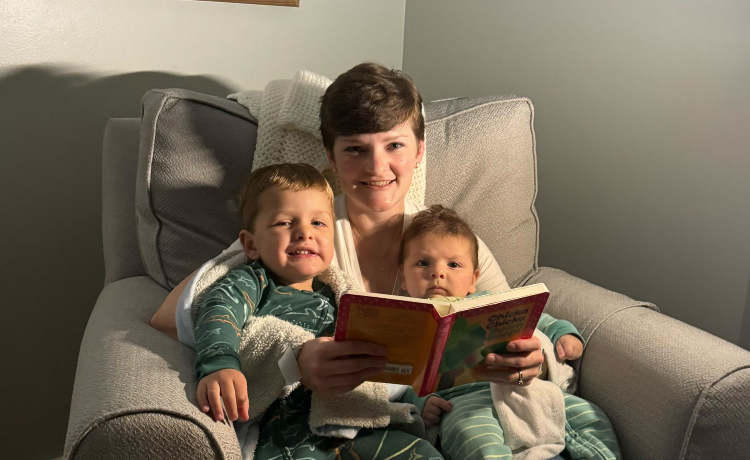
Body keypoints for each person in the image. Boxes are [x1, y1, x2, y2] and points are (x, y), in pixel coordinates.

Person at [151, 62, 557, 400]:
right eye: (356, 149)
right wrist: (292, 361)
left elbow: (511, 323)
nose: (377, 168)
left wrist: (523, 366)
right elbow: (170, 318)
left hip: (444, 419)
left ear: (419, 151)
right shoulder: (304, 234)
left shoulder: (448, 240)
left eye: (394, 146)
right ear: (331, 157)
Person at [191, 163, 446, 459]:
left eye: (318, 223)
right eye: (284, 223)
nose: (304, 233)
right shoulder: (252, 280)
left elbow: (379, 369)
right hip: (289, 427)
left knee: (422, 453)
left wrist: (416, 393)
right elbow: (219, 311)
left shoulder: (339, 295)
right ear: (251, 244)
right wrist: (219, 363)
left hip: (350, 417)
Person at [396, 204, 586, 460]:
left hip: (517, 389)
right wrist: (421, 405)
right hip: (460, 403)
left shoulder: (489, 302)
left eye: (453, 264)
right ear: (404, 278)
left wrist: (564, 334)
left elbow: (535, 317)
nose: (437, 272)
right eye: (423, 263)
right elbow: (396, 382)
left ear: (473, 279)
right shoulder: (404, 322)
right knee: (473, 437)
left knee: (587, 417)